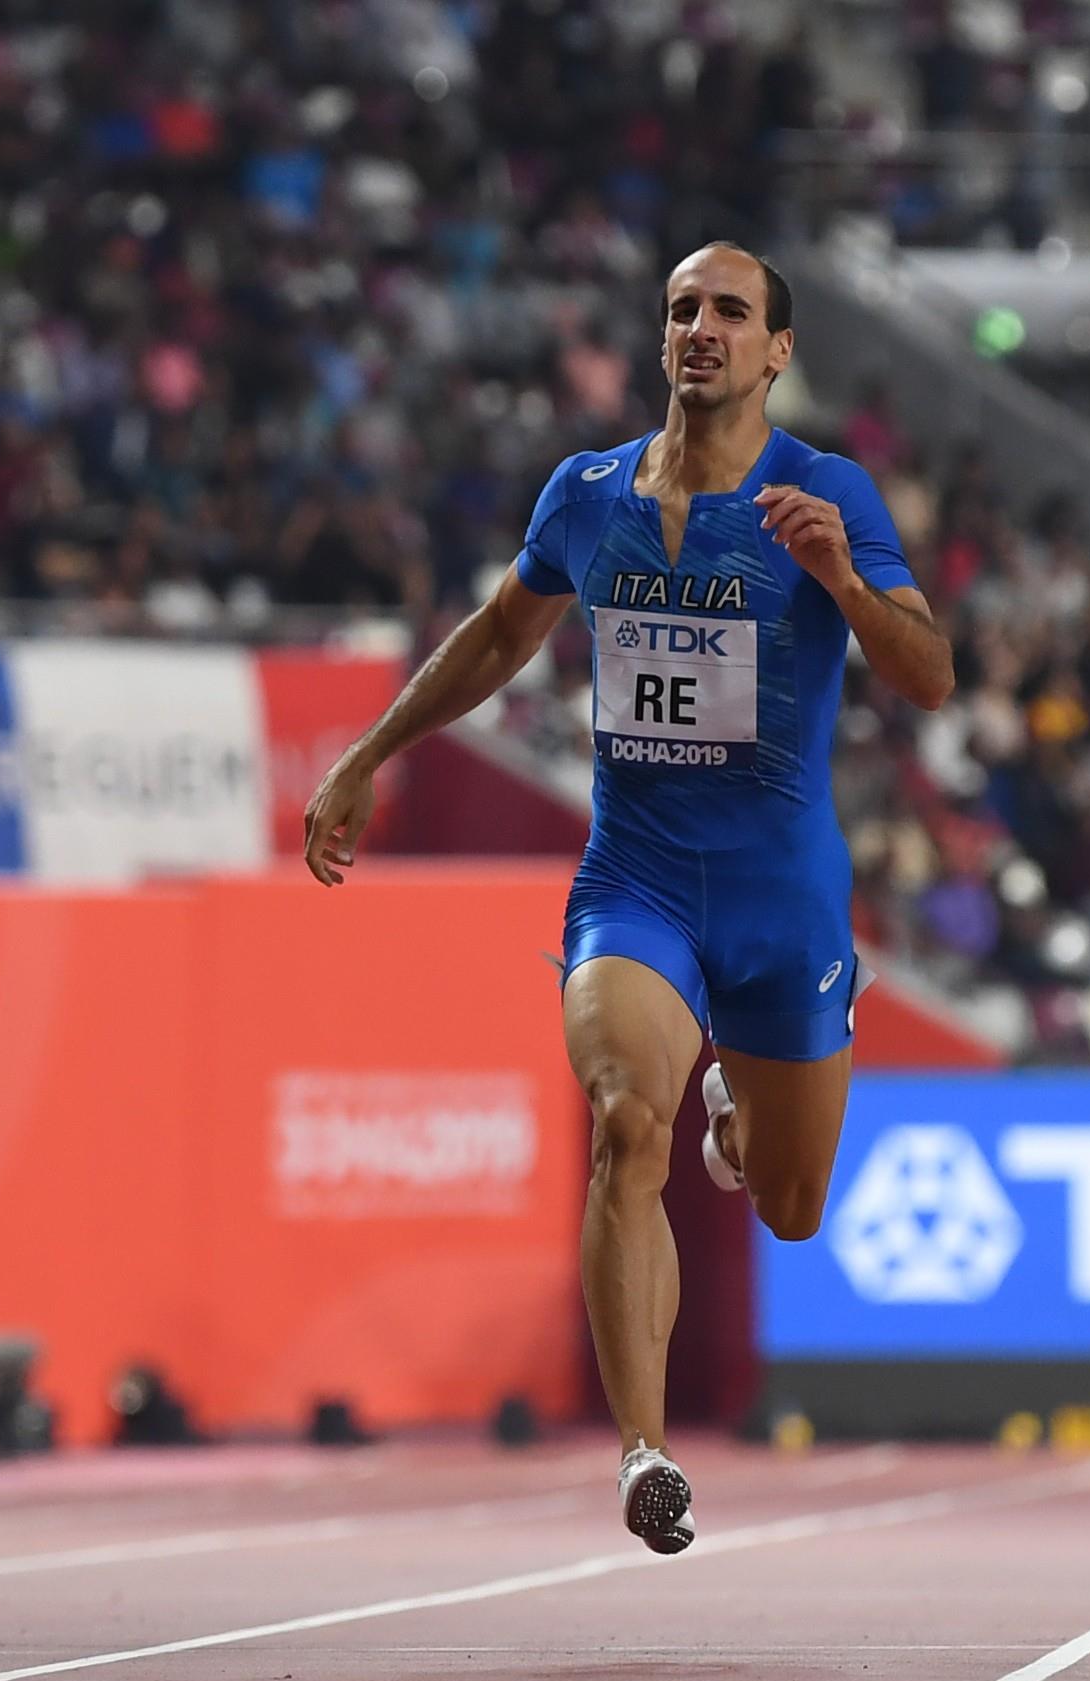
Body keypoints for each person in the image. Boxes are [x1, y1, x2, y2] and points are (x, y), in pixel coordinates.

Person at [304, 243, 952, 1553]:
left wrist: (840, 580)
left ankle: (738, 1107)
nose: (699, 329)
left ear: (777, 351)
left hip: (783, 902)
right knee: (618, 1120)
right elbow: (498, 632)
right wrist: (371, 753)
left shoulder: (825, 492)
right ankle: (646, 1456)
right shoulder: (586, 493)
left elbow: (929, 673)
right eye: (679, 311)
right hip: (637, 882)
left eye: (729, 312)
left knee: (790, 1205)